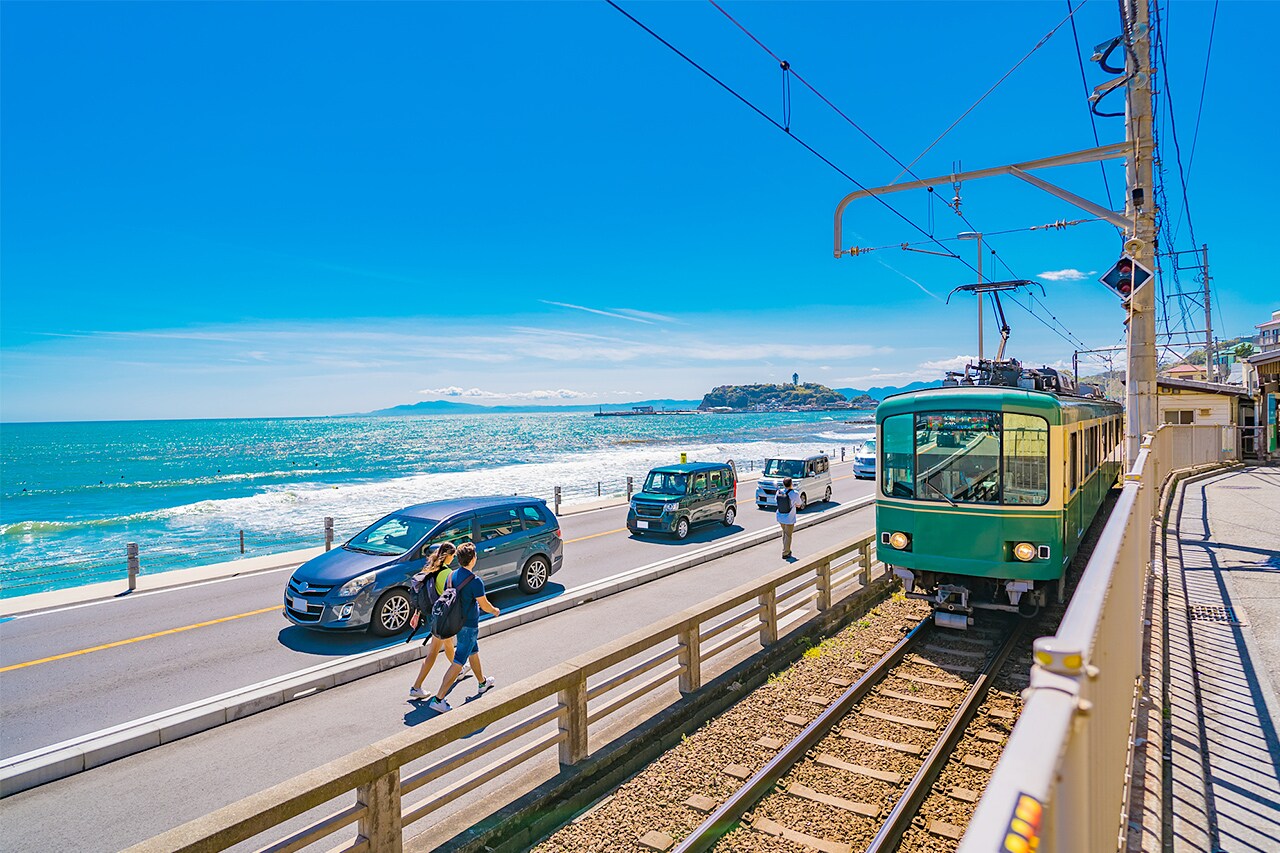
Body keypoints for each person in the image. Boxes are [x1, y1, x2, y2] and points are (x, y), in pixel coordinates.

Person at [426, 542, 500, 713]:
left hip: (457, 624)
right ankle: (439, 699)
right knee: (459, 661)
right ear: (473, 559)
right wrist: (494, 611)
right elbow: (484, 604)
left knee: (473, 651)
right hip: (469, 625)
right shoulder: (475, 581)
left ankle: (482, 682)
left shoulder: (451, 576)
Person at [407, 542, 469, 699]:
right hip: (441, 617)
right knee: (433, 653)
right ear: (447, 556)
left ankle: (459, 669)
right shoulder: (447, 574)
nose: (453, 558)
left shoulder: (431, 568)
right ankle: (416, 686)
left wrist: (416, 613)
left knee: (448, 644)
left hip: (432, 615)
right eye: (453, 556)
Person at [776, 476, 799, 559]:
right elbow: (799, 504)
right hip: (789, 517)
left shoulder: (779, 492)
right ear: (791, 484)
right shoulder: (794, 493)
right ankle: (786, 552)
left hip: (780, 516)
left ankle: (785, 549)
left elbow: (776, 501)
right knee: (788, 535)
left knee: (784, 533)